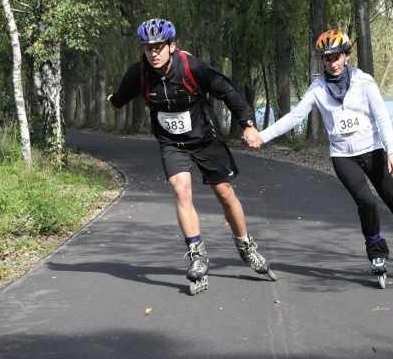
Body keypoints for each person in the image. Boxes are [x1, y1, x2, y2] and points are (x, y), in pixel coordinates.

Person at [245, 29, 393, 285]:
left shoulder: (364, 82)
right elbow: (295, 116)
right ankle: (377, 254)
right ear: (323, 62)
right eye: (328, 59)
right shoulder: (318, 88)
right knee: (367, 202)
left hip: (372, 151)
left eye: (337, 57)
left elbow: (382, 117)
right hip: (342, 156)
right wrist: (263, 135)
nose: (333, 63)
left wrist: (392, 151)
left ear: (346, 55)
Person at [107, 18, 275, 292]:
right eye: (148, 48)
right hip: (171, 143)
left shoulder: (193, 67)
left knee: (224, 193)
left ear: (172, 46)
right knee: (180, 189)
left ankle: (245, 244)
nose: (154, 53)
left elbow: (228, 91)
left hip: (205, 139)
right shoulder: (138, 73)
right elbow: (120, 98)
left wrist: (248, 125)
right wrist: (112, 102)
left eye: (159, 47)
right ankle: (197, 255)